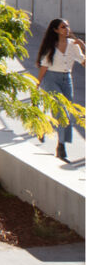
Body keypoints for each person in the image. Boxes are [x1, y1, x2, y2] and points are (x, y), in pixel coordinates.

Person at [35, 18, 85, 162]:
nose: (67, 29)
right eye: (63, 27)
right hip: (51, 79)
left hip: (66, 79)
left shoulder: (73, 45)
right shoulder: (51, 46)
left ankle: (55, 137)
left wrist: (83, 46)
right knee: (60, 111)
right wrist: (37, 85)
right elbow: (44, 66)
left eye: (67, 26)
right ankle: (61, 148)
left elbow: (83, 63)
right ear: (56, 30)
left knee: (66, 113)